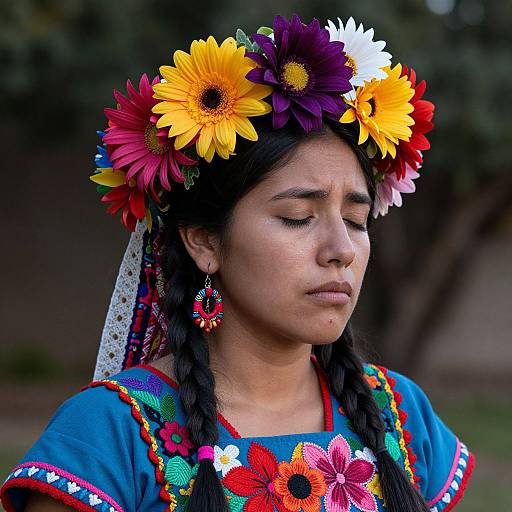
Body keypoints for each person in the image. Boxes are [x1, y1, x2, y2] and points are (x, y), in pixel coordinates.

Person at [0, 14, 473, 512]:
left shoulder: (399, 415)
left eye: (356, 220)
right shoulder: (109, 434)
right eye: (297, 217)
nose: (342, 248)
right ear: (204, 241)